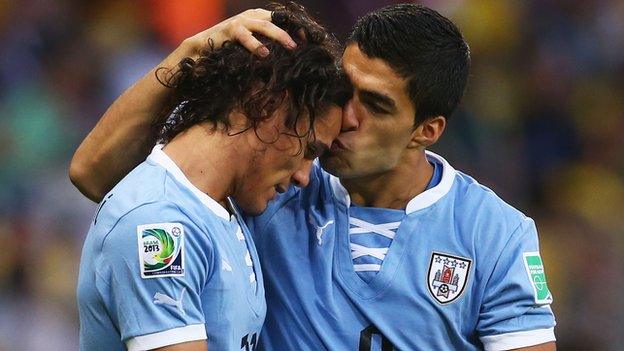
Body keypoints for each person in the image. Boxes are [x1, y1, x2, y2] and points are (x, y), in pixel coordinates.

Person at [70, 3, 557, 351]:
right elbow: (97, 176)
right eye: (348, 90)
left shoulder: (496, 234)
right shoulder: (275, 176)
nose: (346, 118)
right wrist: (191, 52)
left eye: (377, 105)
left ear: (425, 131)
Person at [74, 3, 345, 350]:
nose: (306, 176)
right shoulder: (158, 223)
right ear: (267, 106)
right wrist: (191, 49)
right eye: (309, 150)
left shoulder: (222, 200)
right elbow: (89, 173)